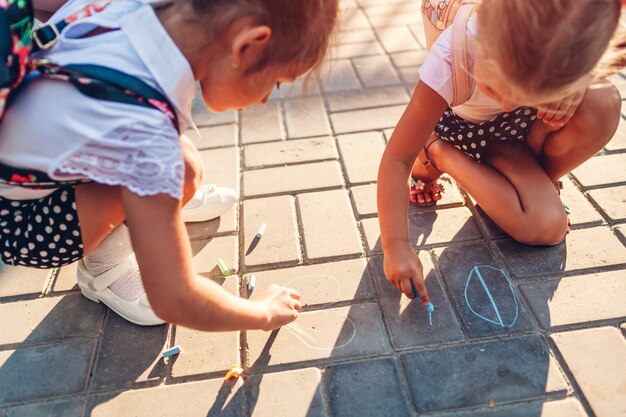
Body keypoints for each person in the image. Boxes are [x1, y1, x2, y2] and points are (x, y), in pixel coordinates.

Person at [0, 0, 339, 330]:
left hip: (30, 159)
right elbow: (176, 297)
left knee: (180, 165)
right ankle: (104, 269)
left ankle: (155, 208)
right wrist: (263, 312)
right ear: (248, 44)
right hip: (21, 224)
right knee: (177, 169)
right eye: (277, 82)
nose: (265, 99)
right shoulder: (145, 134)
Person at [378, 0, 624, 303]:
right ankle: (436, 151)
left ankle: (518, 183)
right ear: (483, 45)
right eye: (498, 88)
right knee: (548, 224)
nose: (507, 104)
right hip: (459, 132)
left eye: (527, 94)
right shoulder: (452, 55)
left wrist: (580, 79)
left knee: (604, 100)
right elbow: (396, 159)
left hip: (513, 137)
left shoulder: (559, 33)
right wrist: (396, 245)